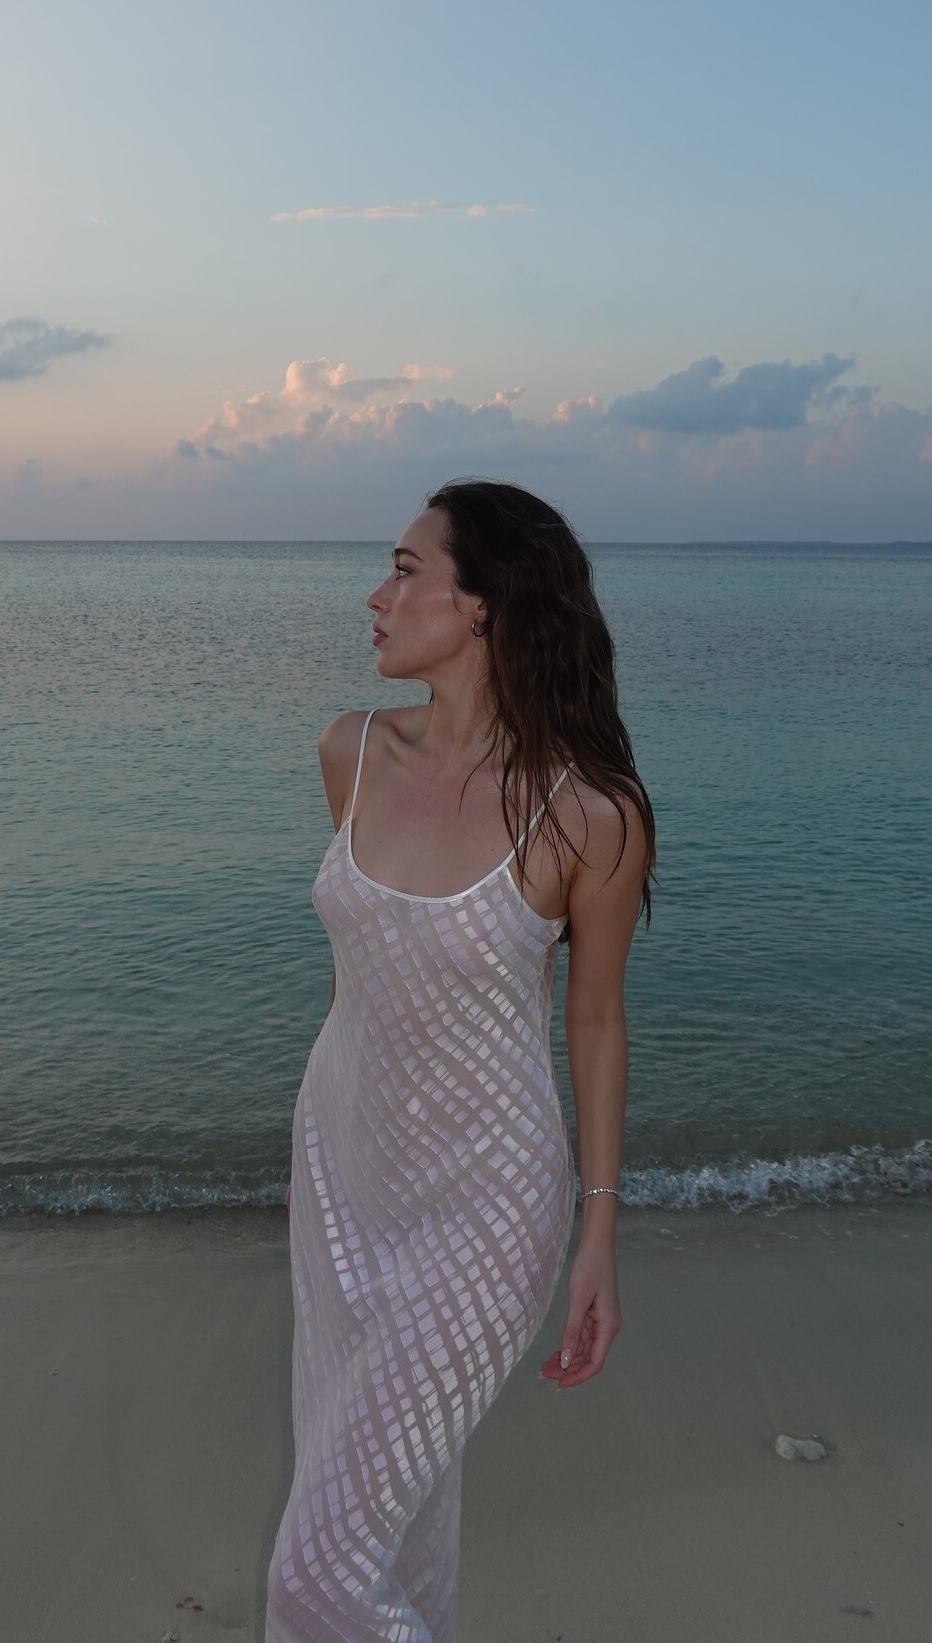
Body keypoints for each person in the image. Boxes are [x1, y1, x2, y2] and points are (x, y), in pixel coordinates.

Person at [266, 477, 655, 1643]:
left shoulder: (589, 813)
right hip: (339, 1179)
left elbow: (596, 1021)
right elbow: (359, 976)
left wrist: (598, 1236)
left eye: (404, 570)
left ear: (484, 603)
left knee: (316, 1571)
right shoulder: (350, 751)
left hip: (487, 1209)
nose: (375, 598)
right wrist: (331, 1135)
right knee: (401, 1530)